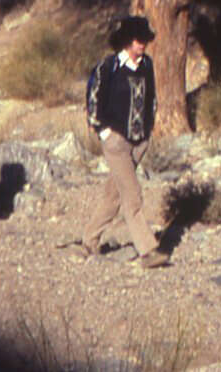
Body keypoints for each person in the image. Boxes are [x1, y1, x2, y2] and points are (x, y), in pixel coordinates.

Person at [64, 14, 169, 268]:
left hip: (139, 141)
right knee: (133, 196)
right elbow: (93, 100)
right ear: (126, 41)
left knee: (114, 196)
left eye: (144, 38)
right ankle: (148, 250)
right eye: (136, 39)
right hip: (115, 142)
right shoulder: (108, 67)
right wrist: (104, 133)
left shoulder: (147, 66)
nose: (141, 43)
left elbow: (152, 99)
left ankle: (89, 240)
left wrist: (148, 132)